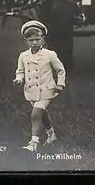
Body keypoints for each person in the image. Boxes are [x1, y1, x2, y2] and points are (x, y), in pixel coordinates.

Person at [13, 20, 66, 152]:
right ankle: (51, 135)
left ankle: (34, 143)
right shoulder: (23, 56)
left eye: (37, 39)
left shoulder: (50, 54)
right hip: (31, 91)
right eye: (31, 40)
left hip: (46, 90)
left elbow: (60, 70)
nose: (35, 42)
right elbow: (20, 71)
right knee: (42, 114)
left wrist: (60, 84)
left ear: (43, 38)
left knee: (35, 114)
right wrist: (19, 79)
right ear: (26, 41)